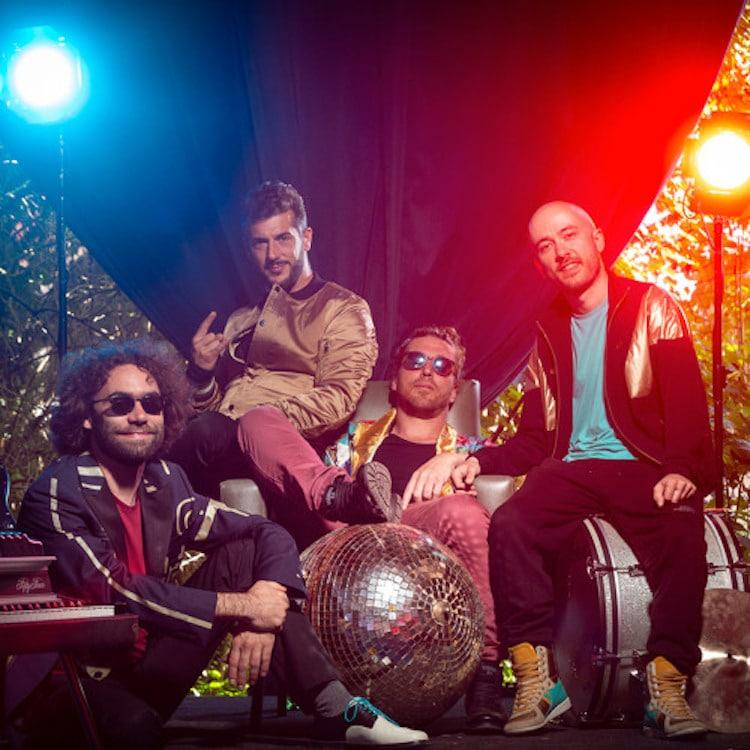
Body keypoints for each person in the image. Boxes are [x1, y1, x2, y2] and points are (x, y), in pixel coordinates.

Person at [5, 339, 427, 749]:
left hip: (145, 668)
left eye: (151, 403)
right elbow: (116, 594)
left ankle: (338, 710)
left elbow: (264, 532)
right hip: (70, 678)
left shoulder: (164, 481)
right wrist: (244, 606)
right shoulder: (59, 491)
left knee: (244, 551)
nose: (138, 415)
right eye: (120, 404)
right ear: (86, 416)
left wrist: (264, 606)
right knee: (135, 731)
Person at [447, 201, 714, 739]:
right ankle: (538, 682)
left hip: (643, 466)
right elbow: (534, 437)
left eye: (568, 235)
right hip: (570, 469)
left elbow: (688, 402)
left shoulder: (651, 305)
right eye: (545, 246)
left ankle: (667, 684)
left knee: (683, 529)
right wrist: (479, 458)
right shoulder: (546, 329)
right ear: (540, 264)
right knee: (513, 525)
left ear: (597, 237)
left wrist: (682, 467)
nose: (560, 251)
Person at [233, 326, 510, 733]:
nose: (427, 371)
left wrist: (456, 459)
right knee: (257, 419)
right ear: (394, 380)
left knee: (463, 511)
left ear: (455, 390)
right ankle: (342, 494)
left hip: (420, 554)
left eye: (442, 365)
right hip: (346, 536)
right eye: (415, 360)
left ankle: (486, 672)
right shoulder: (347, 441)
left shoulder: (473, 454)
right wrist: (336, 495)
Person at [168, 180, 380, 504]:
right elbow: (218, 410)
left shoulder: (344, 308)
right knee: (166, 431)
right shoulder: (241, 318)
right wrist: (202, 373)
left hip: (283, 446)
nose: (272, 255)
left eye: (283, 238)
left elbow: (339, 399)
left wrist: (256, 421)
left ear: (306, 238)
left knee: (201, 433)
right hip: (221, 444)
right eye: (260, 243)